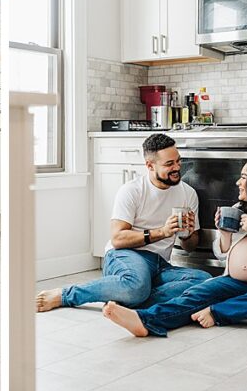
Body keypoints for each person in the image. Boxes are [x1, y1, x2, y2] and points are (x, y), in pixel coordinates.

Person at [102, 158, 247, 337]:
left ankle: (218, 311)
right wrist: (225, 234)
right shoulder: (240, 209)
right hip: (234, 282)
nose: (238, 182)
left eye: (244, 177)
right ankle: (145, 320)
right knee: (196, 292)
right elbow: (221, 253)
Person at [35, 133, 211, 312]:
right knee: (137, 285)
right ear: (149, 165)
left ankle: (126, 299)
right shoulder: (132, 191)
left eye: (178, 161)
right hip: (125, 255)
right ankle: (66, 295)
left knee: (204, 281)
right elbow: (118, 238)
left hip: (159, 264)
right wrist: (162, 232)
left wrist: (188, 234)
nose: (177, 168)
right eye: (169, 164)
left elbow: (190, 247)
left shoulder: (187, 194)